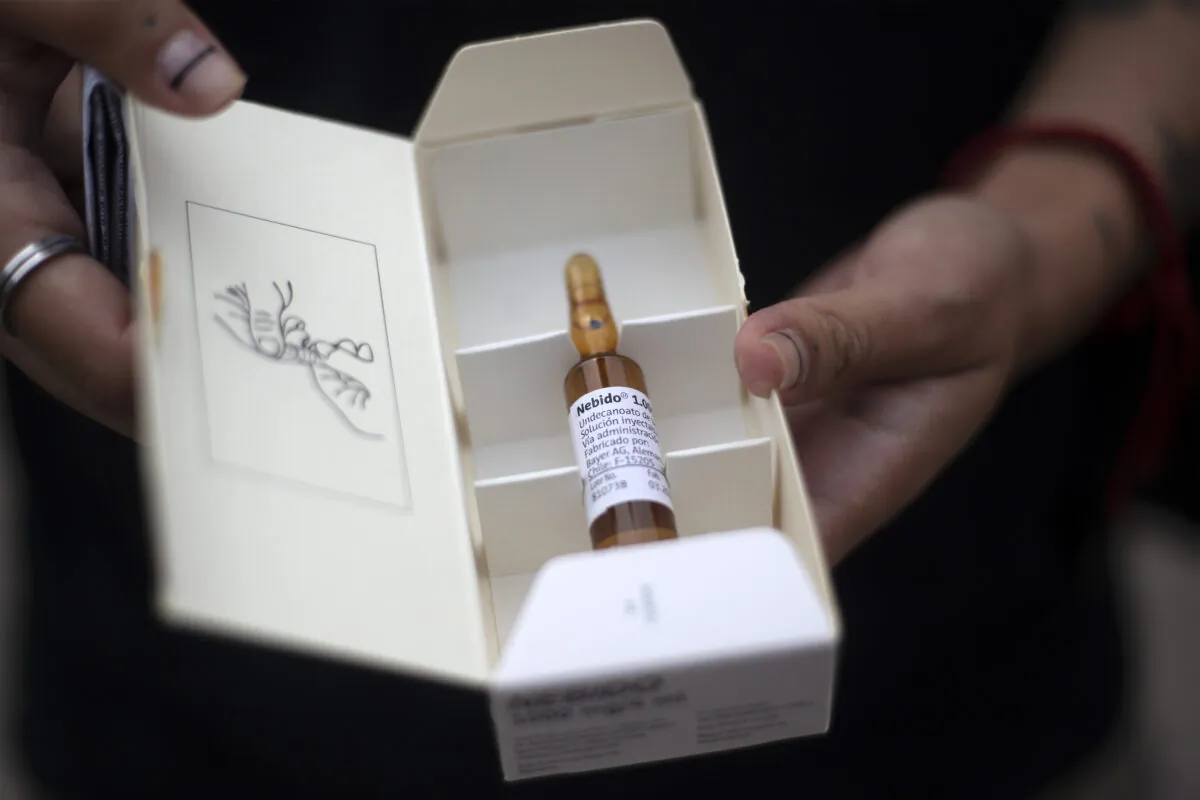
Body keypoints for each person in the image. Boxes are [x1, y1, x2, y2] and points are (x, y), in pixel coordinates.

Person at [1, 1, 1197, 797]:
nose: (591, 332)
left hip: (946, 684)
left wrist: (1044, 241)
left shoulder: (608, 368)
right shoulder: (601, 369)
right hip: (213, 708)